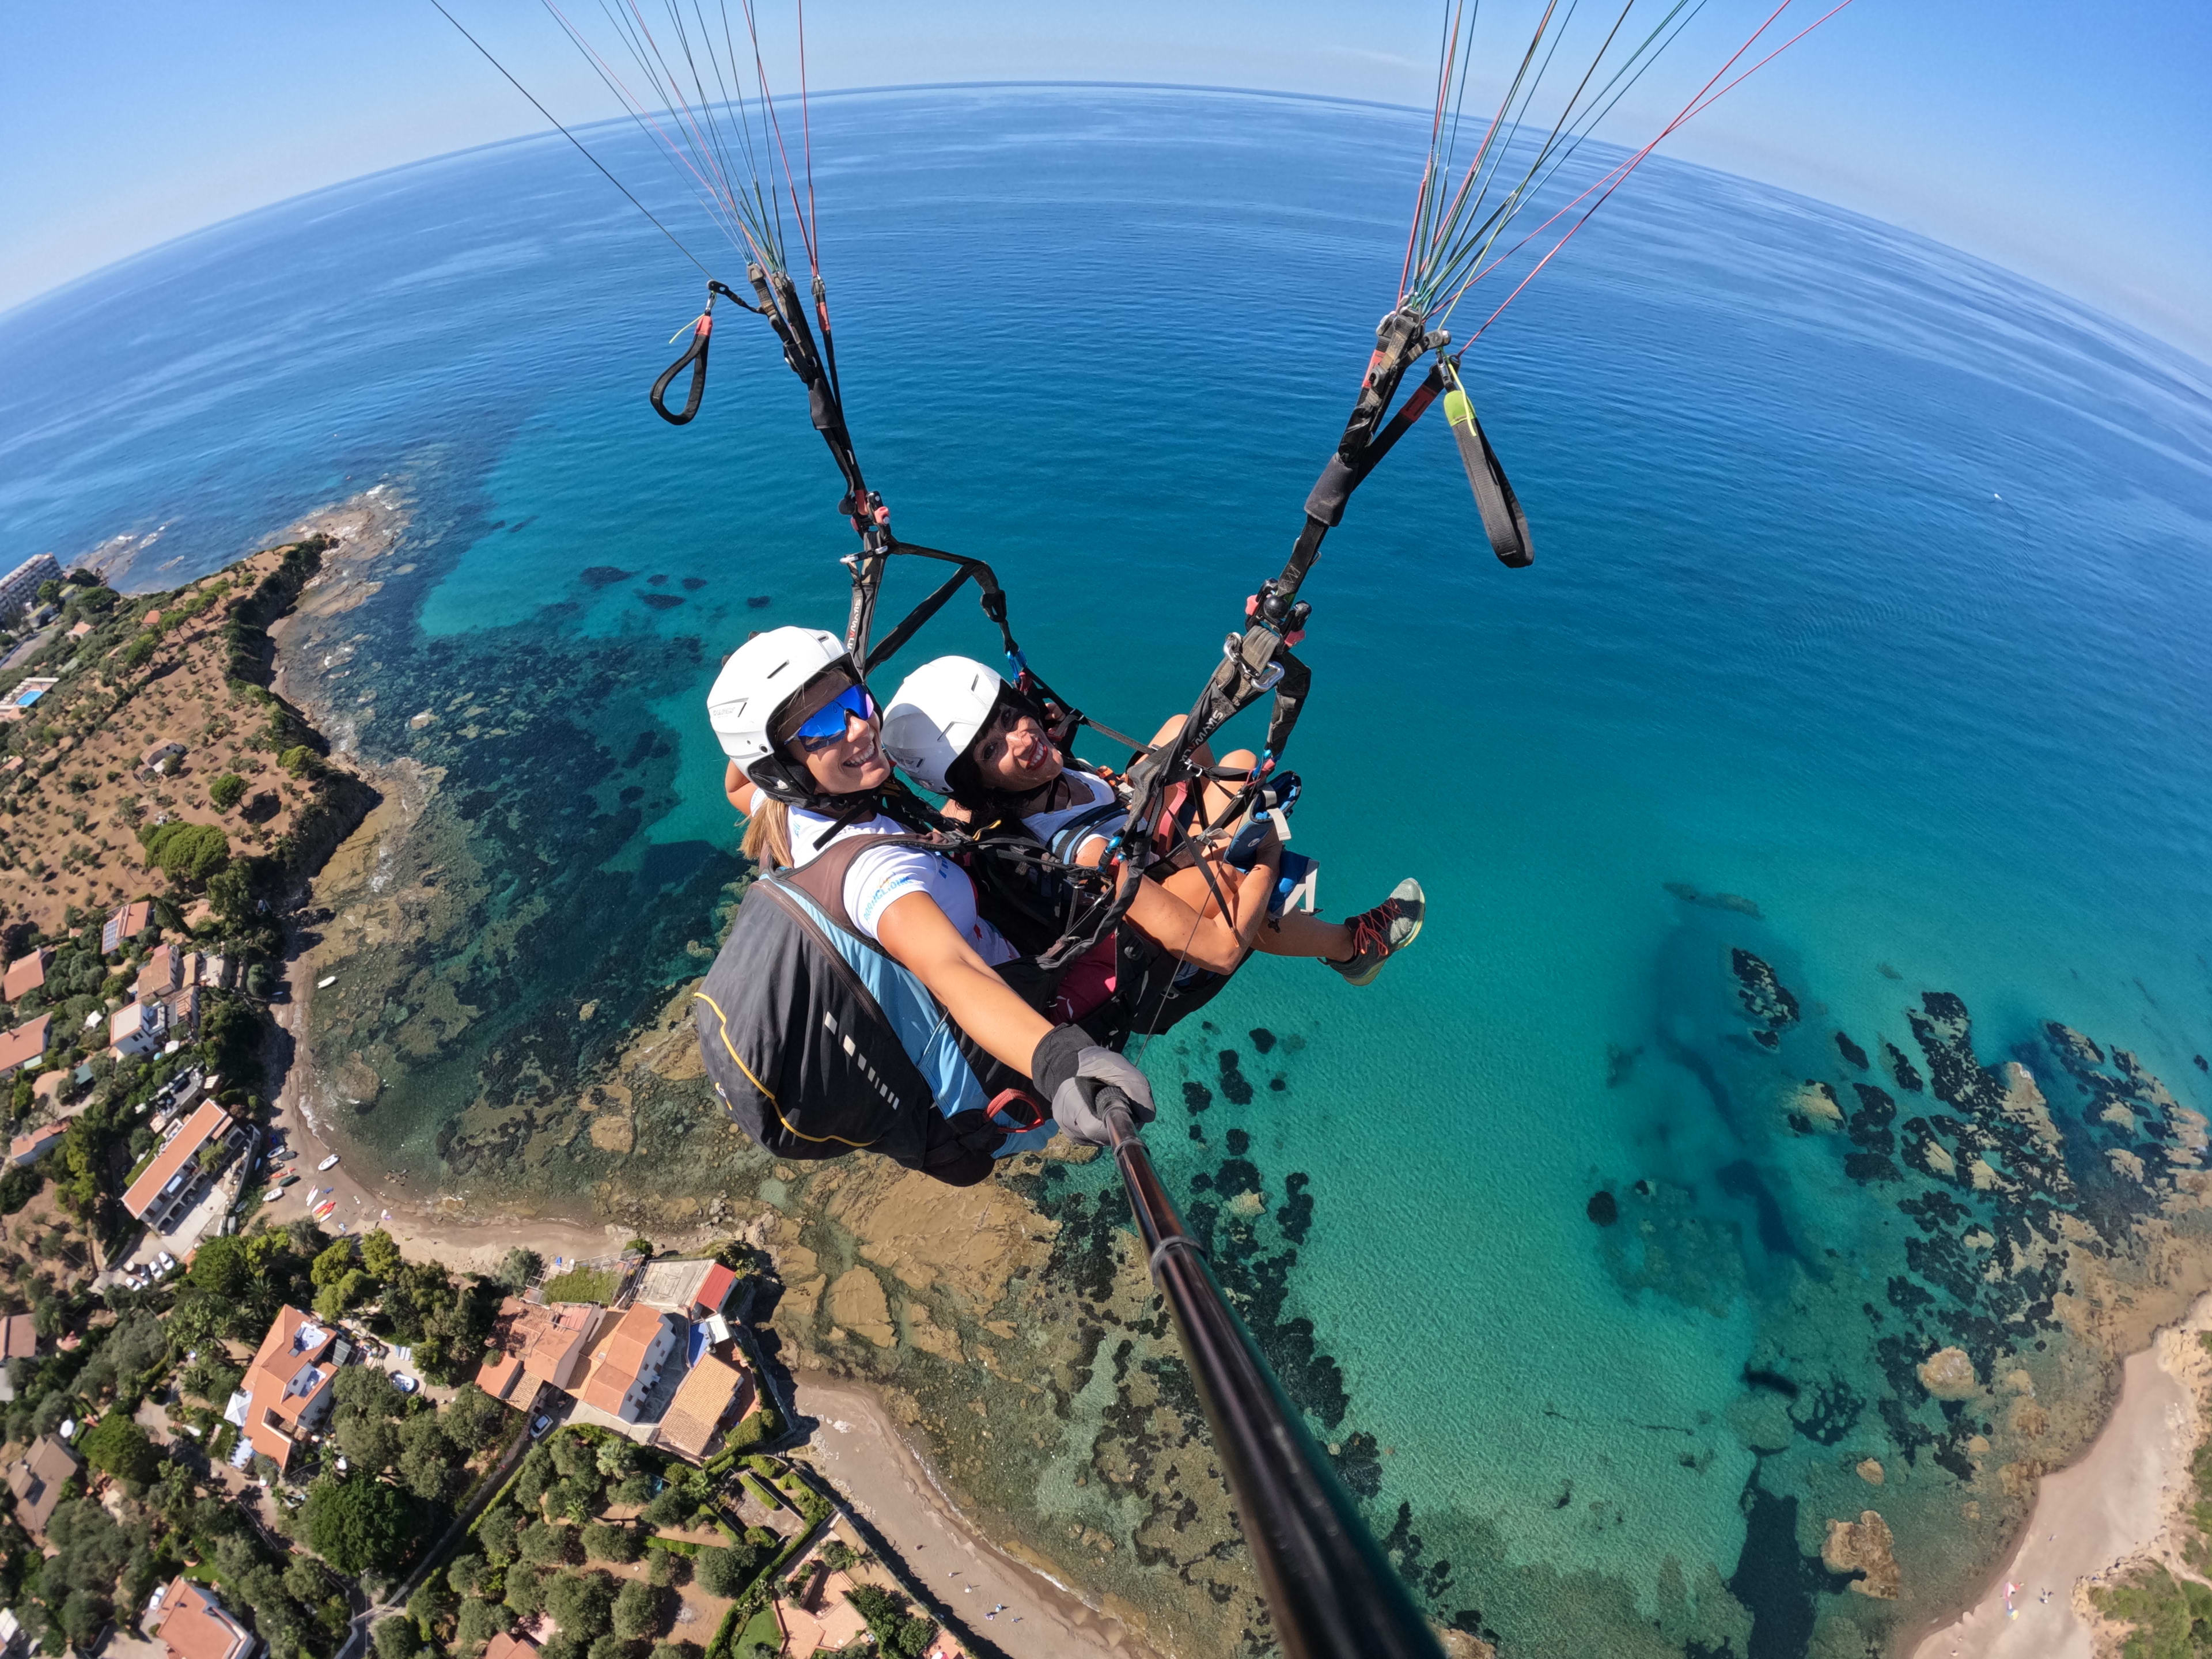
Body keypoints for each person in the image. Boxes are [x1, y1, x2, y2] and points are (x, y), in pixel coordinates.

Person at [699, 626, 1154, 1182]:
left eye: (855, 699)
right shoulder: (875, 872)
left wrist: (755, 672)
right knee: (1171, 924)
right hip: (1012, 1030)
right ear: (782, 766)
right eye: (821, 726)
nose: (861, 727)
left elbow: (736, 784)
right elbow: (951, 969)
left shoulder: (789, 817)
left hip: (978, 989)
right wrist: (1058, 1059)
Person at [881, 655, 1425, 986]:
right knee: (1243, 809)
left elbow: (1003, 771)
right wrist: (1266, 850)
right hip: (1162, 938)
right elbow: (1220, 950)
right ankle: (1354, 947)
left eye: (1009, 717)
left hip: (1133, 835)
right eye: (993, 749)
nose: (1025, 741)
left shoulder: (1046, 773)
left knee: (1197, 741)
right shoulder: (1081, 854)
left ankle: (1251, 861)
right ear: (980, 785)